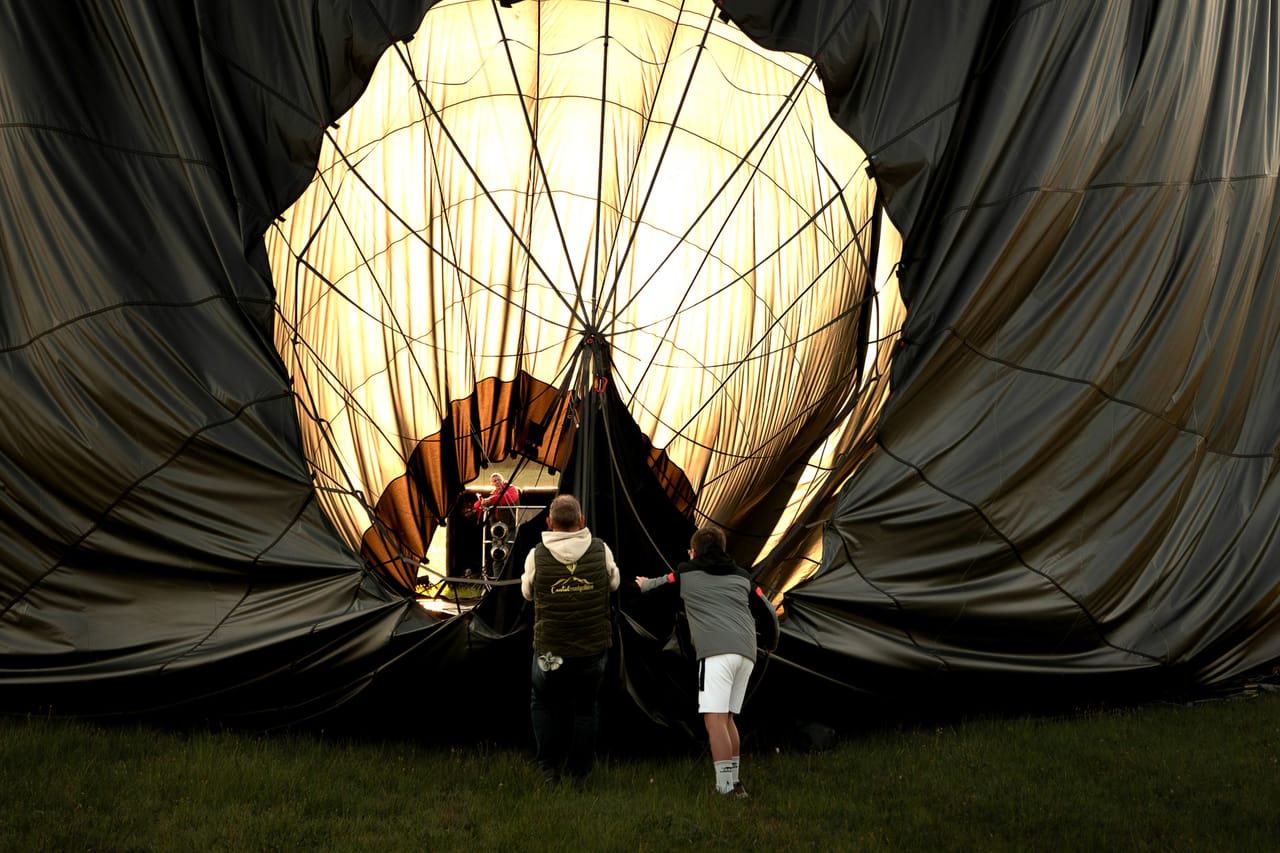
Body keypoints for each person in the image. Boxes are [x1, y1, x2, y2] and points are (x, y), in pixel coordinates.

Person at [635, 524, 760, 799]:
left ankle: (725, 788)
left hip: (716, 653)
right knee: (727, 719)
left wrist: (643, 584)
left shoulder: (686, 572)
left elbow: (655, 586)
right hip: (746, 653)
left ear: (693, 552)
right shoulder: (743, 576)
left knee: (714, 721)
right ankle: (734, 783)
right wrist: (771, 641)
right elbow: (769, 612)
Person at [520, 493, 620, 787]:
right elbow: (613, 583)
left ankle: (548, 769)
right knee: (586, 708)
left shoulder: (535, 554)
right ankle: (580, 774)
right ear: (581, 521)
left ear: (549, 522)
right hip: (592, 649)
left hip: (551, 653)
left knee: (543, 702)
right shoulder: (601, 550)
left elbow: (527, 592)